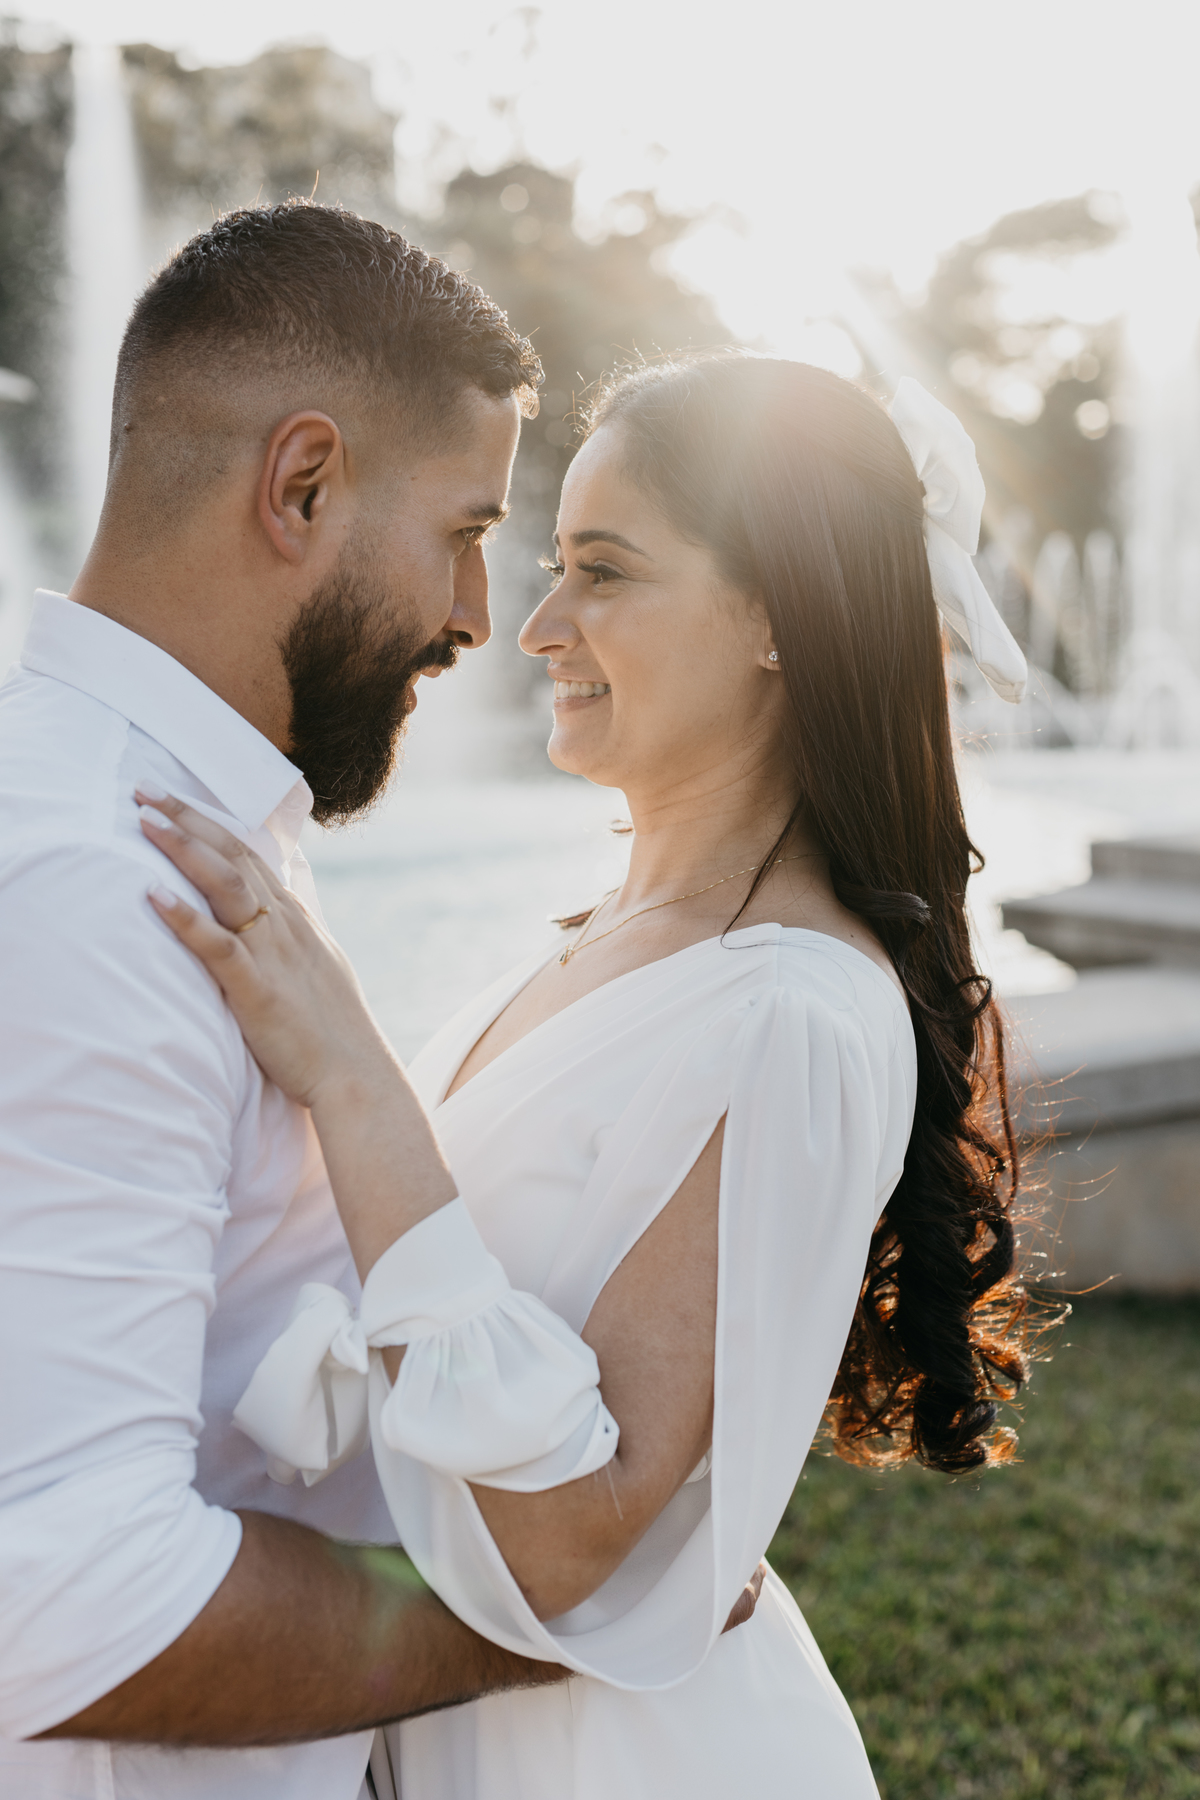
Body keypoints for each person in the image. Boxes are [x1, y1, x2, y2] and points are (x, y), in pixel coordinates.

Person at [136, 351, 1034, 1797]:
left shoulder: (792, 1008)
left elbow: (574, 1535)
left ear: (775, 620)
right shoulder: (606, 937)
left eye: (605, 572)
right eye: (553, 565)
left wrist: (354, 1077)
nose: (539, 625)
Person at [0, 201, 592, 1800]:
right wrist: (511, 1623)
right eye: (465, 528)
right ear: (304, 483)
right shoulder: (94, 884)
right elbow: (65, 1601)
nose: (479, 612)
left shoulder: (173, 820)